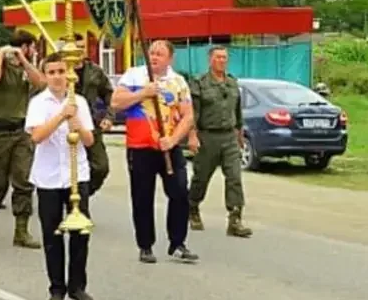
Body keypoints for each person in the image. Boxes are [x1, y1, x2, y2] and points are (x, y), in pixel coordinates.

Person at [112, 40, 198, 264]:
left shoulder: (178, 82)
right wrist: (143, 92)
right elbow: (116, 101)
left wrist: (173, 139)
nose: (154, 57)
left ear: (170, 58)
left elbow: (188, 116)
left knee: (179, 191)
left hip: (168, 145)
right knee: (142, 197)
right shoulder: (134, 75)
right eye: (151, 53)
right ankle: (145, 245)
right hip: (140, 146)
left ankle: (177, 242)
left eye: (160, 54)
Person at [26, 51, 97, 300]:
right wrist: (60, 116)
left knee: (80, 232)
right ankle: (57, 287)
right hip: (48, 177)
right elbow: (36, 136)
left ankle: (77, 286)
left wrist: (75, 118)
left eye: (60, 72)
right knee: (52, 233)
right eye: (52, 72)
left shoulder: (79, 101)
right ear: (45, 76)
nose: (57, 77)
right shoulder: (38, 103)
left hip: (77, 175)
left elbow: (89, 140)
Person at [0, 27, 45, 248]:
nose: (33, 51)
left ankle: (21, 231)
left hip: (21, 132)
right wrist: (0, 54)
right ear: (24, 46)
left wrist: (24, 61)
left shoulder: (25, 69)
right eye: (31, 47)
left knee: (24, 182)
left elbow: (41, 84)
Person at [187, 45, 254, 237]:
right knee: (201, 178)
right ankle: (192, 208)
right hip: (208, 136)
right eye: (218, 57)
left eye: (224, 58)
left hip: (229, 137)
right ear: (210, 60)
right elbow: (193, 113)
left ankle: (235, 219)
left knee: (234, 177)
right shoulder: (200, 83)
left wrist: (239, 134)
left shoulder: (232, 83)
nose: (222, 61)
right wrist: (192, 135)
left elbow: (237, 111)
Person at [71, 35, 114, 196]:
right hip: (65, 124)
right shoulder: (61, 70)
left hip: (91, 124)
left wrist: (109, 116)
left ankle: (84, 195)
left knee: (101, 167)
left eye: (82, 47)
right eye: (76, 47)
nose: (80, 51)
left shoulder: (95, 71)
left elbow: (109, 95)